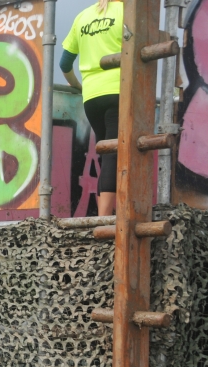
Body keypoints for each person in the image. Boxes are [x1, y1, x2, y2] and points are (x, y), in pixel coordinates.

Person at [60, 0, 123, 217]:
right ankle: (104, 218)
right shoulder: (127, 13)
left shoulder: (83, 17)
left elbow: (64, 63)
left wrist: (78, 85)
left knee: (106, 155)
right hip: (118, 91)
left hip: (91, 96)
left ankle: (106, 215)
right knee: (115, 155)